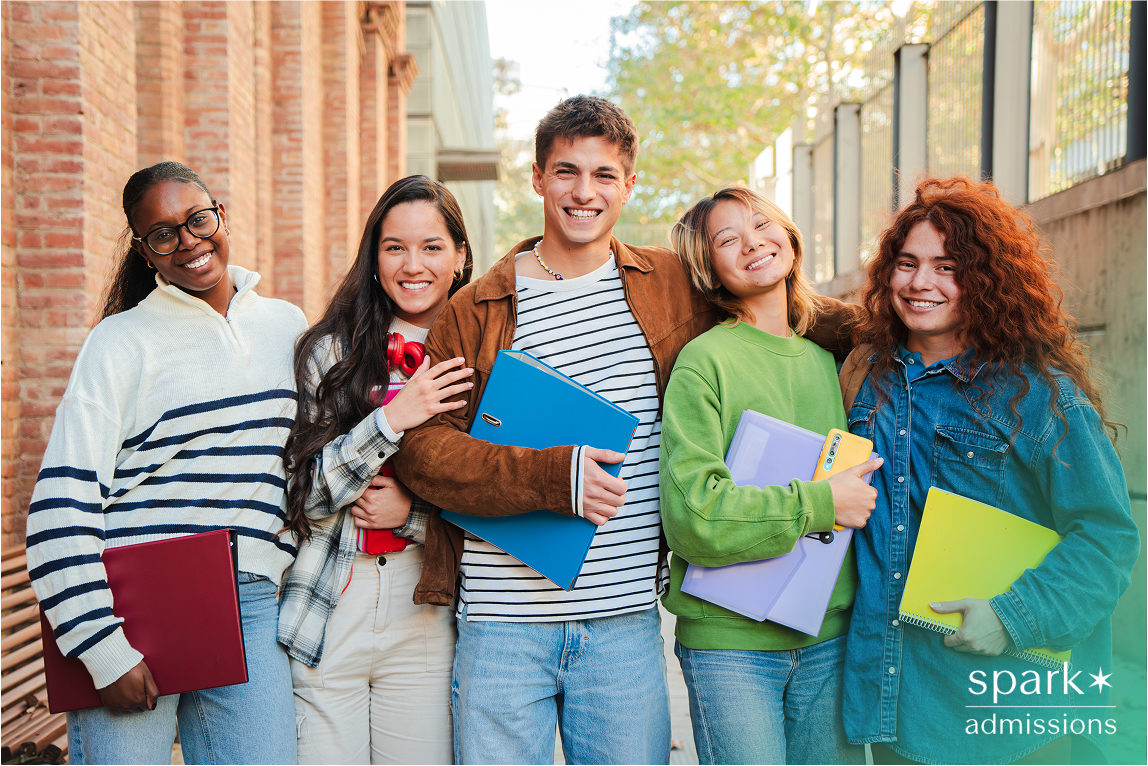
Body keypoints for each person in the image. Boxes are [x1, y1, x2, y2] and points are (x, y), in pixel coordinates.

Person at [390, 96, 860, 764]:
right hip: (501, 625)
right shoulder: (478, 307)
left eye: (604, 175)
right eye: (567, 172)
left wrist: (904, 325)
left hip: (623, 625)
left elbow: (783, 309)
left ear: (629, 184)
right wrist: (553, 477)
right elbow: (425, 453)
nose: (585, 193)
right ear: (537, 178)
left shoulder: (672, 284)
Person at [838, 176, 1140, 764]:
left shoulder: (1038, 395)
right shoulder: (865, 378)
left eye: (947, 266)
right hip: (894, 707)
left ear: (986, 279)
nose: (921, 282)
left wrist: (1013, 616)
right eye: (906, 263)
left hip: (1011, 717)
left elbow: (1107, 539)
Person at [25, 161, 305, 764]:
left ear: (221, 214)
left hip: (252, 600)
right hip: (134, 605)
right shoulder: (119, 342)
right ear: (144, 250)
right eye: (163, 234)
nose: (189, 242)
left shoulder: (286, 326)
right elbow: (58, 507)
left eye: (198, 219)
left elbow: (307, 468)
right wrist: (101, 645)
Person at [658, 186, 880, 765]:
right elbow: (694, 516)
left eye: (762, 225)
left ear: (789, 233)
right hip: (730, 646)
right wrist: (820, 504)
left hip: (830, 634)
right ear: (709, 268)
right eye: (727, 239)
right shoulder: (703, 361)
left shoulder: (834, 362)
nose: (752, 242)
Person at [276, 176, 475, 764]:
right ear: (374, 257)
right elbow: (304, 495)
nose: (413, 265)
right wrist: (392, 419)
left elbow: (497, 497)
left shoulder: (485, 358)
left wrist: (413, 515)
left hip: (426, 609)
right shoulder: (329, 354)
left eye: (432, 247)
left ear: (460, 257)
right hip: (332, 601)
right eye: (395, 247)